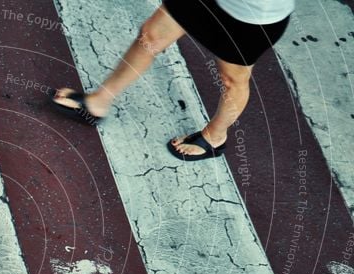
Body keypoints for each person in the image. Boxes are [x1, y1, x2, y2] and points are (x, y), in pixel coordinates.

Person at [51, 0, 295, 161]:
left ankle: (215, 136)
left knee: (232, 79)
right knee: (151, 35)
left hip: (251, 14)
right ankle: (99, 102)